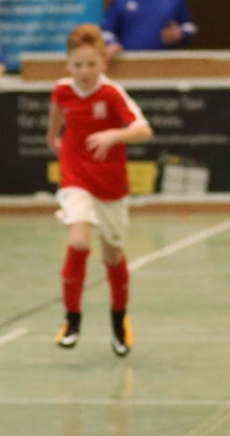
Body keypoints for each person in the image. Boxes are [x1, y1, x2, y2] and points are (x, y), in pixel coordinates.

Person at [47, 23, 153, 355]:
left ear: (103, 63)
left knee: (112, 254)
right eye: (77, 64)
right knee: (79, 241)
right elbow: (55, 120)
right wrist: (55, 142)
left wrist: (114, 135)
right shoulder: (62, 90)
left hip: (110, 184)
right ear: (68, 64)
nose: (84, 71)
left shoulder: (111, 93)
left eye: (91, 64)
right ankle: (72, 318)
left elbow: (144, 130)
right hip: (76, 178)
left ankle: (119, 320)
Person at [101, 0, 197, 57]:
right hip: (129, 61)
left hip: (165, 63)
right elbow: (106, 30)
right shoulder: (120, 2)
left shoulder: (174, 2)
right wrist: (111, 43)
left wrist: (180, 33)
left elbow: (190, 27)